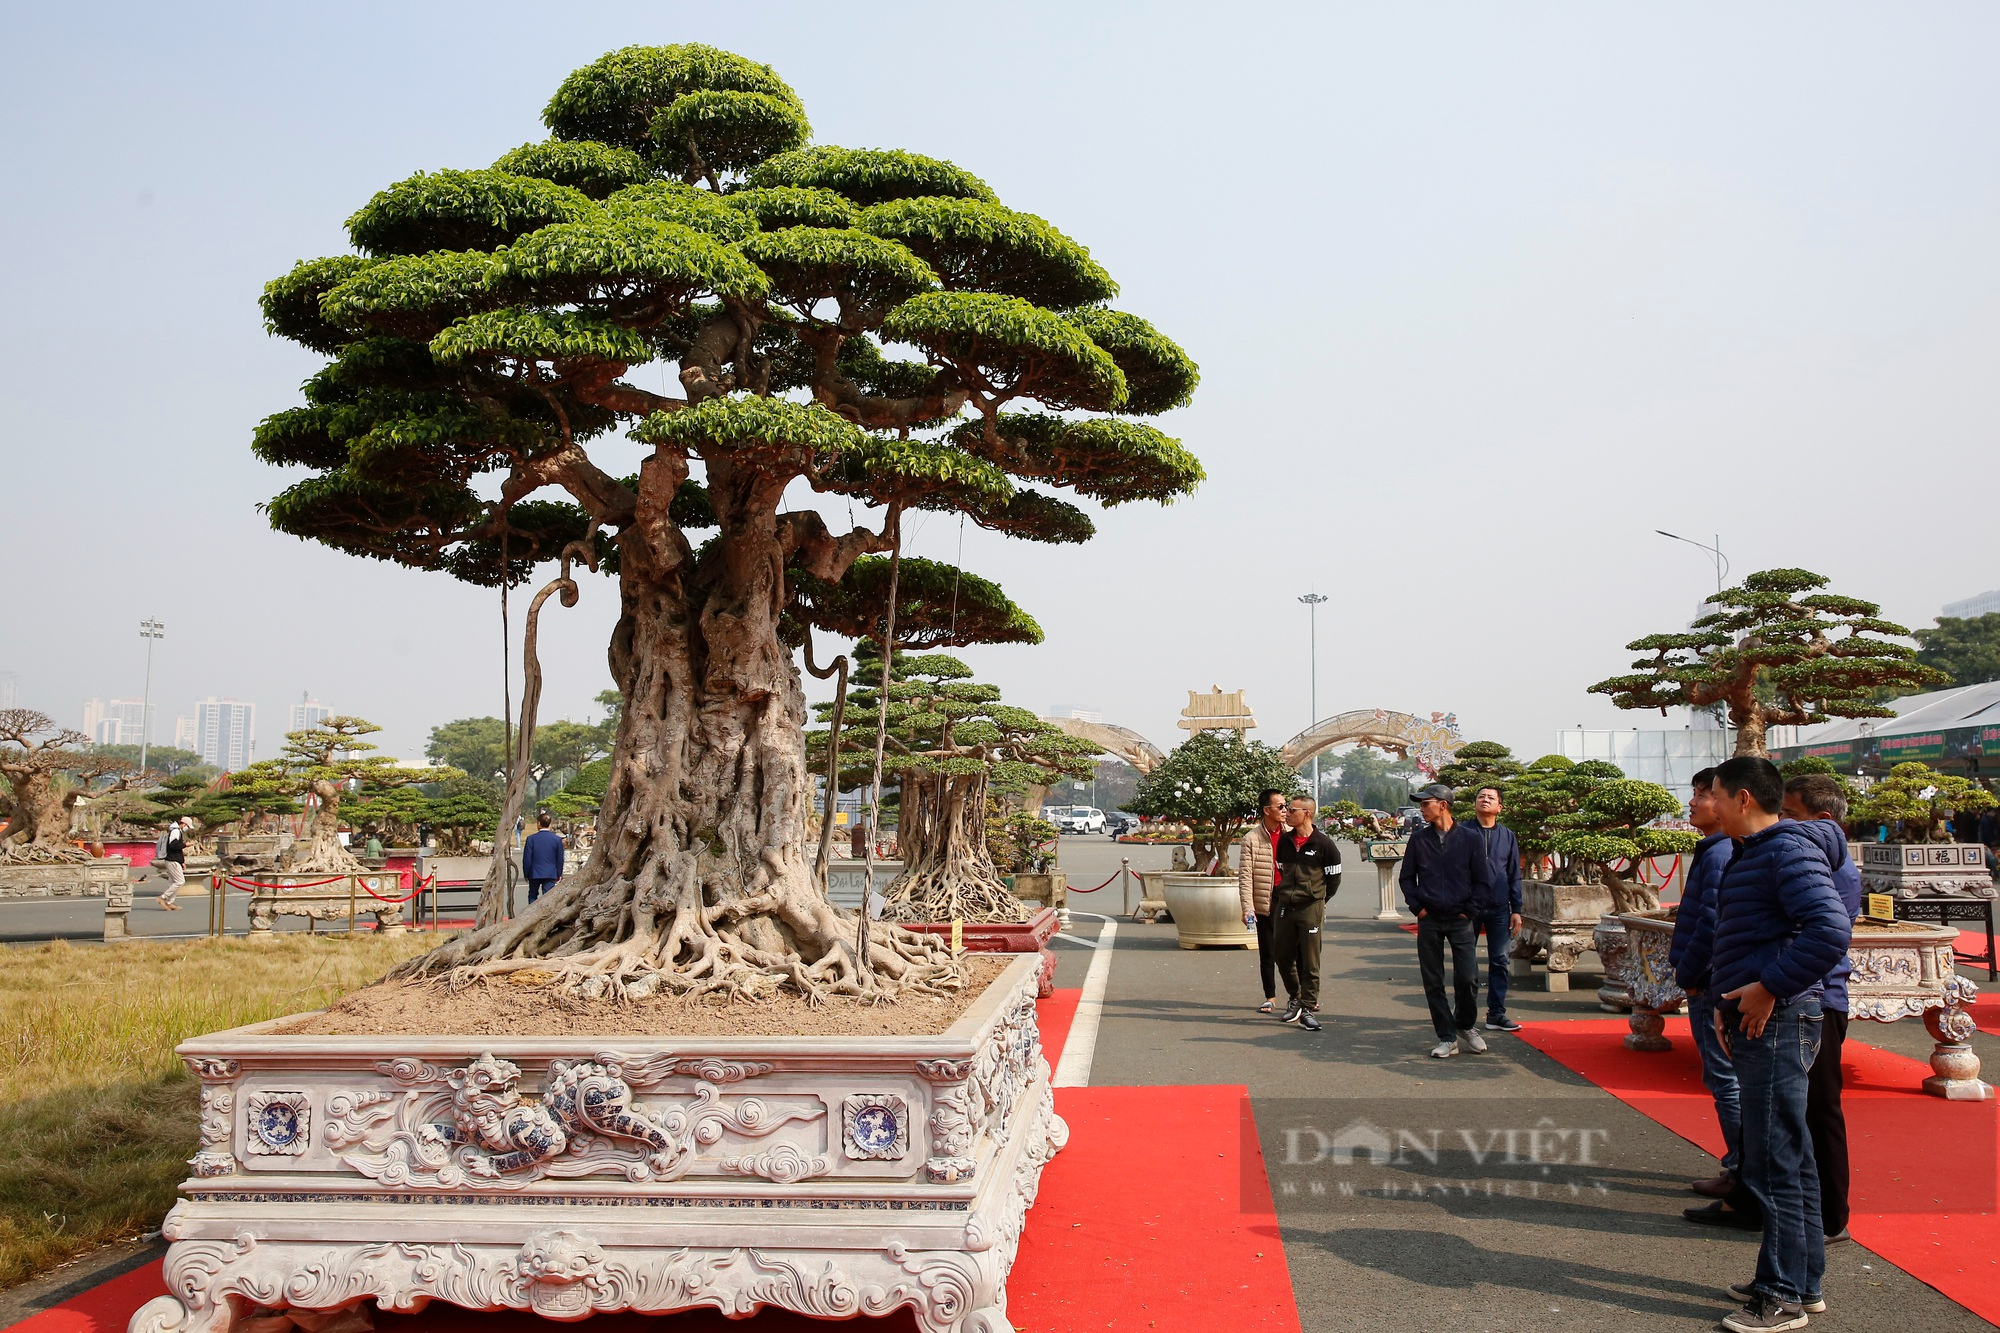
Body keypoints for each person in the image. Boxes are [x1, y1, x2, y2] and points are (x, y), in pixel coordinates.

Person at [1699, 757, 1851, 1332]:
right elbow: (1746, 938)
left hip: (1781, 1017)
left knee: (1772, 1158)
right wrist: (1727, 1005)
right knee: (1789, 1153)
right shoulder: (1752, 852)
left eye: (1711, 793)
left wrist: (1767, 989)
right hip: (1760, 1016)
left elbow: (1830, 929)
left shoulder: (1786, 849)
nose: (1705, 803)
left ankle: (1782, 1293)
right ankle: (1799, 1282)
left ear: (1741, 798)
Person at [1670, 767, 1741, 1201]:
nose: (1694, 802)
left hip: (1712, 981)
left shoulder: (1719, 853)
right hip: (1711, 979)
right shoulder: (1716, 848)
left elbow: (1712, 922)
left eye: (1704, 794)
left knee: (1726, 1079)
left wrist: (1689, 973)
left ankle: (1741, 1169)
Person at [1399, 782, 1492, 1059]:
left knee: (1468, 978)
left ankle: (1465, 1024)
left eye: (1426, 803)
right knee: (1433, 980)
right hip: (1429, 918)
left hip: (1460, 918)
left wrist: (1469, 911)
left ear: (1443, 804)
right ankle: (1446, 1036)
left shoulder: (1470, 838)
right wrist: (1418, 908)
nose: (1422, 809)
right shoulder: (1419, 839)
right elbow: (1407, 877)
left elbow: (1483, 880)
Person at [1272, 795, 1342, 1031]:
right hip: (1285, 906)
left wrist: (1319, 899)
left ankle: (1308, 1008)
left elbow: (1333, 879)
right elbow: (1280, 869)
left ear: (1307, 813)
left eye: (1291, 810)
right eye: (1285, 809)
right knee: (1282, 956)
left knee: (1311, 961)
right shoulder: (1284, 842)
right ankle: (1295, 997)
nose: (1286, 813)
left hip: (1310, 907)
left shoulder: (1325, 845)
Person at [1467, 786, 1524, 1032]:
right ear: (1475, 803)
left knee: (1500, 960)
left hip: (1500, 908)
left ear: (1499, 807)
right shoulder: (1462, 832)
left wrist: (1516, 908)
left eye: (1491, 798)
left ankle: (1496, 1014)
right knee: (1466, 962)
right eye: (1481, 797)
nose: (1485, 800)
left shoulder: (1508, 835)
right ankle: (1465, 1016)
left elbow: (1514, 874)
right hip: (1468, 909)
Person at [1236, 789, 1289, 1014]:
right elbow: (1246, 876)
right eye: (1280, 807)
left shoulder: (1291, 834)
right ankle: (1271, 996)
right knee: (1268, 951)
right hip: (1265, 901)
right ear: (1267, 810)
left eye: (1286, 806)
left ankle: (1300, 996)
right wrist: (1248, 907)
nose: (1285, 811)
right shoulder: (1251, 839)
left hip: (1289, 899)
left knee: (1293, 950)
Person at [521, 812, 565, 904]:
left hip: (534, 873)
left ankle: (531, 916)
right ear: (549, 824)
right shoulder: (556, 839)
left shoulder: (531, 839)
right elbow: (560, 859)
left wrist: (526, 873)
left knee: (533, 895)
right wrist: (559, 873)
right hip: (551, 873)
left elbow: (527, 858)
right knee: (548, 897)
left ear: (539, 823)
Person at [157, 817, 188, 911]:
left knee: (173, 882)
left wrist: (182, 861)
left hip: (174, 859)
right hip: (172, 860)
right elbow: (173, 845)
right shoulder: (176, 831)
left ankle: (169, 902)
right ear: (184, 824)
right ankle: (163, 897)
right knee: (180, 881)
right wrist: (185, 845)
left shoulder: (175, 830)